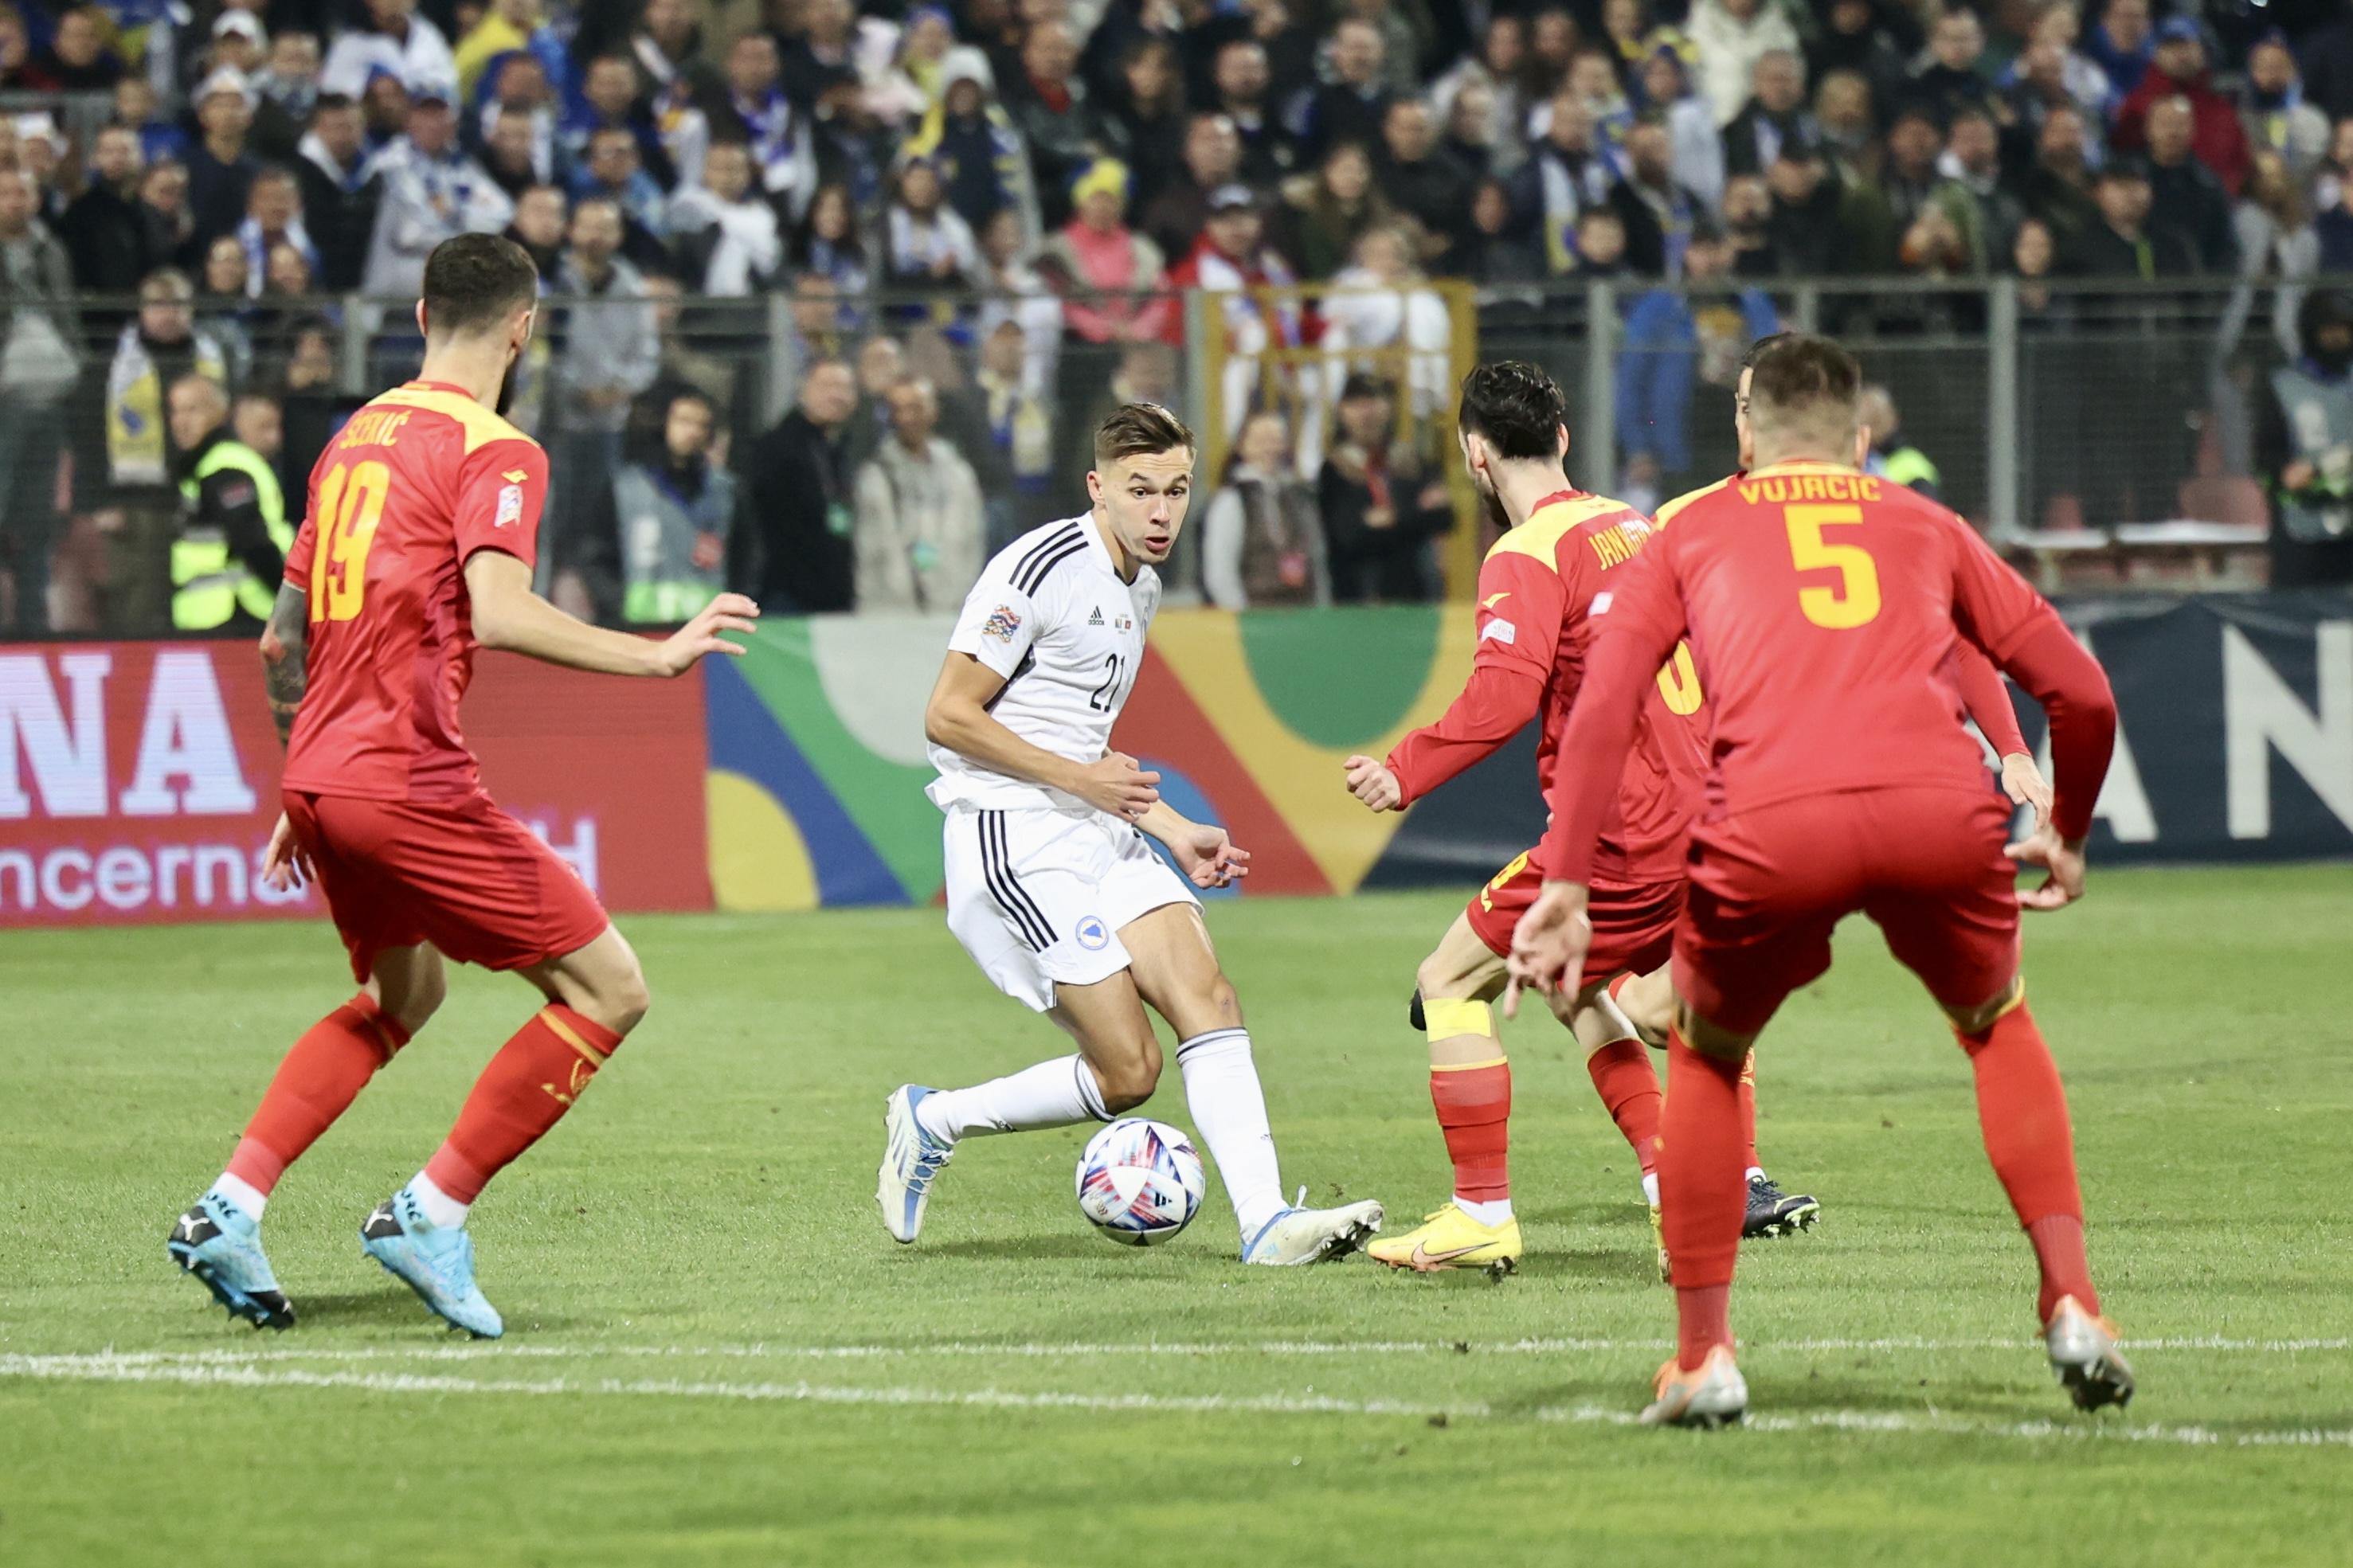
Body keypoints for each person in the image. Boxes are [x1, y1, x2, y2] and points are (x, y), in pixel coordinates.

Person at [1505, 331, 2128, 1428]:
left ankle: (1704, 1358)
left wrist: (1563, 881)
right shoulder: (1924, 522)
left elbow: (1605, 703)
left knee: (1702, 1055)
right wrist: (2065, 828)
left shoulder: (1690, 528)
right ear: (1861, 436)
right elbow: (2081, 695)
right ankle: (2073, 1302)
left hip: (1768, 821)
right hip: (1937, 808)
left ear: (1745, 433)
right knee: (1995, 1026)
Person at [165, 232, 758, 1339]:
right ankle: (428, 1212)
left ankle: (231, 1205)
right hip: (405, 779)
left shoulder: (354, 437)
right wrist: (654, 654)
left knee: (406, 998)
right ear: (524, 328)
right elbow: (498, 610)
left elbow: (276, 642)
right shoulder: (499, 449)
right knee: (609, 989)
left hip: (328, 776)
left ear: (425, 314)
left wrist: (307, 784)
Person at [878, 401, 1384, 1265]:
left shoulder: (1139, 589)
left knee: (1209, 997)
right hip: (1013, 838)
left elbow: (1081, 740)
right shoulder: (1036, 567)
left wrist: (1173, 827)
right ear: (1097, 487)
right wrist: (1085, 783)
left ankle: (1263, 1222)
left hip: (1094, 829)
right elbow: (946, 717)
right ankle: (933, 1117)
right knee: (1129, 1073)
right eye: (1140, 489)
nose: (1161, 511)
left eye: (1177, 490)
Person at [1341, 361, 1816, 1277]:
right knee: (1569, 984)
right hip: (1699, 815)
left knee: (1445, 983)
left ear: (1475, 457)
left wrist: (1401, 774)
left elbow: (1499, 698)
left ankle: (1480, 1210)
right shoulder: (1633, 525)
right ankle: (1671, 1174)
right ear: (1560, 439)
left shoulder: (1525, 554)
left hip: (1617, 835)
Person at [585, 387, 736, 624]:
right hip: (637, 628)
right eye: (684, 421)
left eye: (702, 425)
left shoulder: (725, 491)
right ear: (663, 423)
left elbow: (745, 555)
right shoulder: (626, 488)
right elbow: (595, 554)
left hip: (707, 629)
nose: (693, 432)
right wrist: (616, 604)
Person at [0, 163, 75, 634]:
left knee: (35, 526)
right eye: (5, 193)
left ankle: (32, 627)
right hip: (5, 402)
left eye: (21, 192)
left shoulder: (52, 248)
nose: (14, 201)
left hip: (52, 402)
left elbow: (68, 311)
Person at [729, 355, 859, 613]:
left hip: (836, 596)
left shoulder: (846, 450)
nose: (836, 396)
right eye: (826, 386)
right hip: (786, 597)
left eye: (844, 388)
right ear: (803, 389)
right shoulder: (775, 449)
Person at [164, 373, 292, 633]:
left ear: (221, 413)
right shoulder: (206, 465)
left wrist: (294, 602)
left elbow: (252, 541)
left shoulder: (225, 467)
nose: (181, 422)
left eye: (193, 410)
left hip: (237, 614)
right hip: (219, 615)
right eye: (176, 412)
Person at [853, 376, 985, 612]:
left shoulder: (958, 475)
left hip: (950, 609)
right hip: (890, 612)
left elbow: (973, 541)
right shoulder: (875, 477)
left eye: (915, 408)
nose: (907, 418)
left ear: (933, 412)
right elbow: (867, 552)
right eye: (899, 410)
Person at [2254, 289, 2353, 587]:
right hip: (2301, 535)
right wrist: (2287, 475)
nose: (2339, 338)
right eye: (2330, 330)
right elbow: (2267, 458)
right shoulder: (2284, 387)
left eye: (2345, 330)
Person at [1200, 406, 1322, 608]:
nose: (1270, 448)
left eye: (1276, 440)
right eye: (1260, 441)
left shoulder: (1299, 497)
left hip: (1302, 615)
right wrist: (1243, 617)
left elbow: (1317, 559)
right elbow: (1220, 572)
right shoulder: (1232, 500)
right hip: (1255, 615)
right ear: (1242, 447)